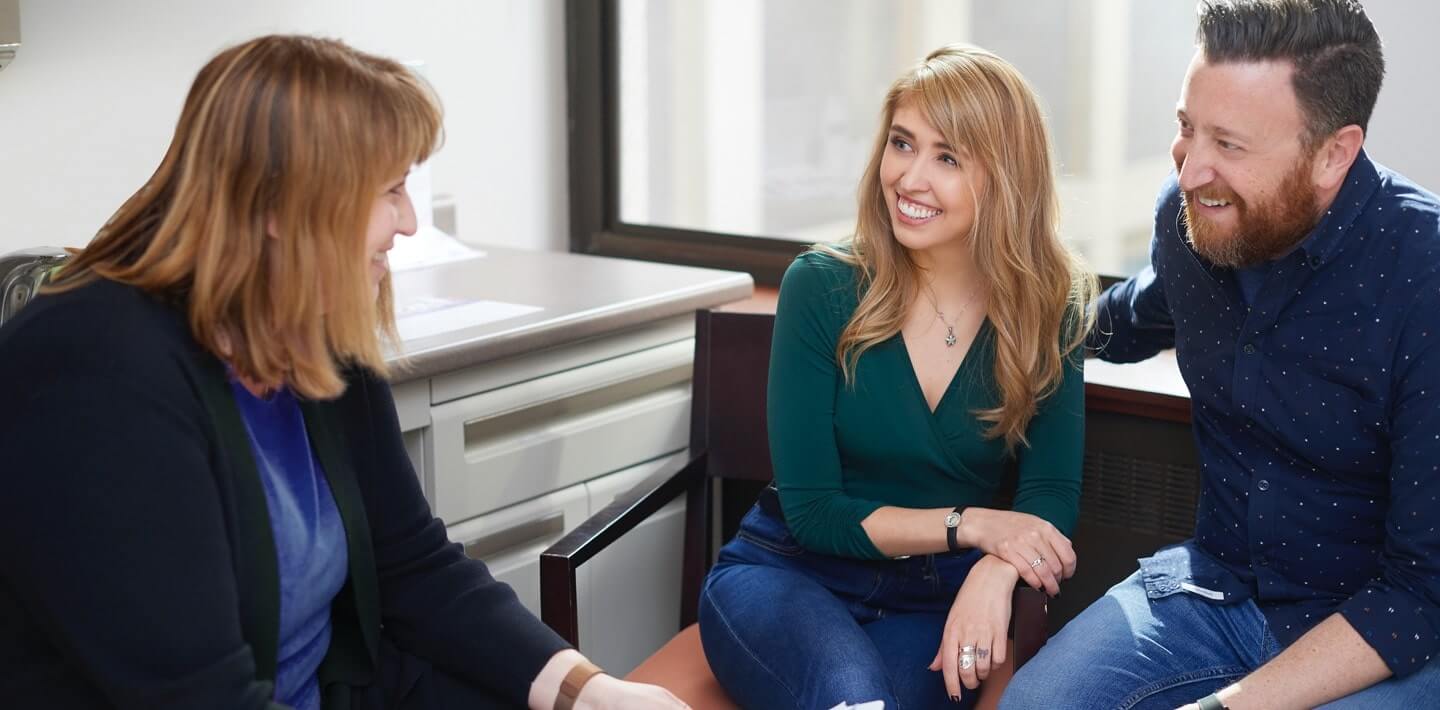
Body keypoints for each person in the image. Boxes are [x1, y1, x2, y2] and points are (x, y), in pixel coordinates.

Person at [0, 35, 686, 710]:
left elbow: (413, 567)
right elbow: (194, 695)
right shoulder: (93, 374)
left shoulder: (311, 324)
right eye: (391, 191)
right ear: (279, 206)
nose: (411, 222)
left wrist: (590, 692)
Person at [1001, 1, 1440, 708]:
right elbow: (1123, 319)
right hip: (1216, 588)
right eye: (1185, 127)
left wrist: (1228, 707)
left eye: (1229, 145)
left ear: (1334, 152)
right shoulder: (1194, 214)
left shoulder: (1426, 275)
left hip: (1379, 631)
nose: (1190, 166)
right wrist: (979, 310)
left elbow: (1424, 593)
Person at [696, 44, 1095, 709]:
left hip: (937, 601)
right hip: (789, 575)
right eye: (902, 144)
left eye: (947, 158)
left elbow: (1050, 497)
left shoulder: (1053, 307)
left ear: (1006, 177)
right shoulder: (821, 286)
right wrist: (973, 526)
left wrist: (996, 572)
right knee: (851, 697)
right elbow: (815, 514)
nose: (909, 178)